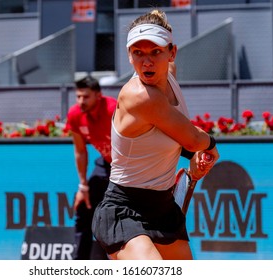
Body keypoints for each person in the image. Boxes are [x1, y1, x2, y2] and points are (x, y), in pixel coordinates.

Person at [92, 9, 220, 260]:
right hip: (124, 209)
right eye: (138, 53)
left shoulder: (169, 76)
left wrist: (196, 158)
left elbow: (174, 135)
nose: (146, 62)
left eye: (155, 52)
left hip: (163, 210)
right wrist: (210, 146)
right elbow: (194, 139)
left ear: (172, 53)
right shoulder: (139, 96)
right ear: (129, 56)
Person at [65, 75, 117, 260]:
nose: (81, 101)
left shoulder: (114, 109)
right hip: (105, 163)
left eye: (86, 97)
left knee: (115, 214)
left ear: (98, 95)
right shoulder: (75, 114)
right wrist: (83, 186)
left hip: (128, 166)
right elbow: (80, 151)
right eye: (78, 96)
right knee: (83, 206)